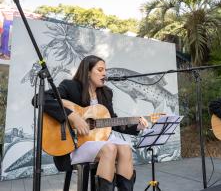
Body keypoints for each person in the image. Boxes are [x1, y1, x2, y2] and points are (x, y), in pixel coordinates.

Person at [35, 55, 148, 191]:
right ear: (88, 72)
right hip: (74, 145)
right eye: (100, 70)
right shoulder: (70, 86)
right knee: (110, 148)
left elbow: (113, 121)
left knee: (125, 148)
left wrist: (137, 126)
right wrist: (72, 117)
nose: (104, 73)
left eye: (105, 70)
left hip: (101, 140)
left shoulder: (106, 93)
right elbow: (39, 99)